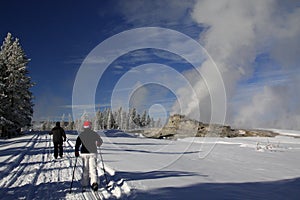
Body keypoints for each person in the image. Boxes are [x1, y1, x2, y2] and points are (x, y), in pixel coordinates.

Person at [75, 121, 103, 191]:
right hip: (93, 152)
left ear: (84, 127)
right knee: (93, 168)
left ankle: (84, 183)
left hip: (84, 153)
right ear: (90, 126)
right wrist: (98, 143)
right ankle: (94, 183)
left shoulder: (82, 134)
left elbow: (77, 143)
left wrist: (76, 151)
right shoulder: (94, 133)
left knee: (85, 169)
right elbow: (100, 141)